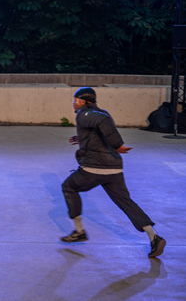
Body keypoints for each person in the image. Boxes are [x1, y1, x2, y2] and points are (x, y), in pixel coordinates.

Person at [61, 87, 166, 258]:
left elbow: (101, 121)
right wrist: (82, 139)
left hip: (95, 167)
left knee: (68, 187)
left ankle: (79, 231)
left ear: (84, 101)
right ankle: (154, 237)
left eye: (75, 100)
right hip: (114, 168)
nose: (73, 103)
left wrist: (118, 145)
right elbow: (100, 130)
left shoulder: (85, 113)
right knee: (125, 202)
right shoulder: (102, 112)